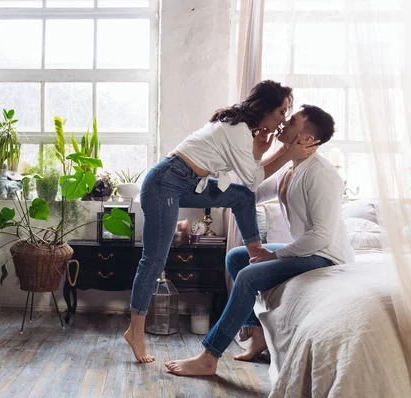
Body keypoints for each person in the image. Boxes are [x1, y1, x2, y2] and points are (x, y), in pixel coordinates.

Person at [125, 80, 320, 363]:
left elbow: (249, 179)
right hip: (165, 183)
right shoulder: (237, 130)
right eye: (281, 111)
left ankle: (255, 255)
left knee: (240, 197)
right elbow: (254, 179)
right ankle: (136, 332)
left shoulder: (243, 129)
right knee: (154, 260)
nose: (282, 120)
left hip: (189, 181)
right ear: (265, 108)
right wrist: (287, 153)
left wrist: (260, 151)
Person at [165, 104, 355, 376]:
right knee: (236, 257)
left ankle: (209, 355)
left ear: (308, 139)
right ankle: (257, 333)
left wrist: (274, 255)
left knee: (248, 276)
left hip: (325, 255)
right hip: (307, 251)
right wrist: (257, 153)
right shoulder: (291, 167)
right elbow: (251, 192)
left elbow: (321, 235)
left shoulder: (322, 174)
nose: (282, 124)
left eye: (291, 122)